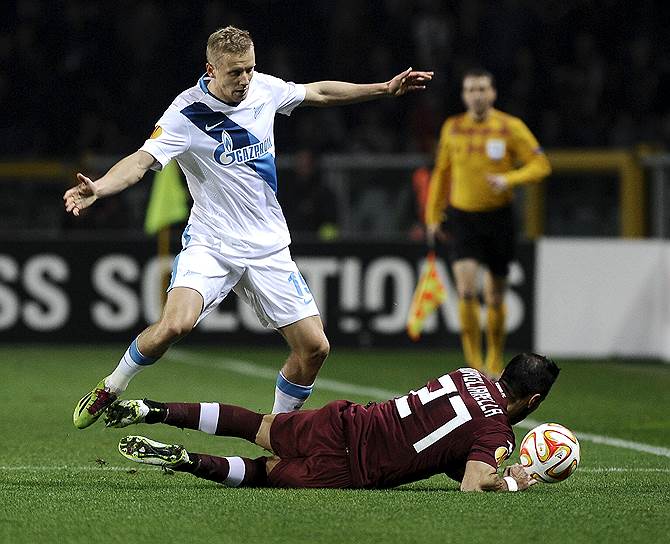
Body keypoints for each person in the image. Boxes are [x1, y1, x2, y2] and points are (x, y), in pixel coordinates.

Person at [64, 26, 433, 429]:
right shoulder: (185, 114)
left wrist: (384, 87)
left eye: (250, 70)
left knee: (315, 348)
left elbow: (319, 93)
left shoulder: (263, 88)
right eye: (235, 72)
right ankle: (112, 386)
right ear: (211, 69)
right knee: (175, 324)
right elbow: (140, 161)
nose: (244, 80)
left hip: (268, 246)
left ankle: (278, 433)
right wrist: (98, 189)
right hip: (212, 243)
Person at [106, 353, 558, 492]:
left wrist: (466, 462)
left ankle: (159, 410)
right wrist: (517, 480)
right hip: (350, 467)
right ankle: (188, 462)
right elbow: (473, 484)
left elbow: (444, 446)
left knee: (260, 426)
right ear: (533, 400)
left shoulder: (468, 375)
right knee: (263, 473)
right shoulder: (496, 430)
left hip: (344, 421)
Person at [425, 68, 551, 377]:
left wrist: (510, 178)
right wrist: (432, 216)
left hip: (499, 219)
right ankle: (473, 364)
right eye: (471, 90)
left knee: (495, 294)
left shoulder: (510, 127)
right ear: (464, 95)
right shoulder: (452, 127)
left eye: (482, 89)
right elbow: (441, 172)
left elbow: (541, 165)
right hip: (463, 217)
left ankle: (494, 359)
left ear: (492, 93)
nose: (477, 95)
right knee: (467, 289)